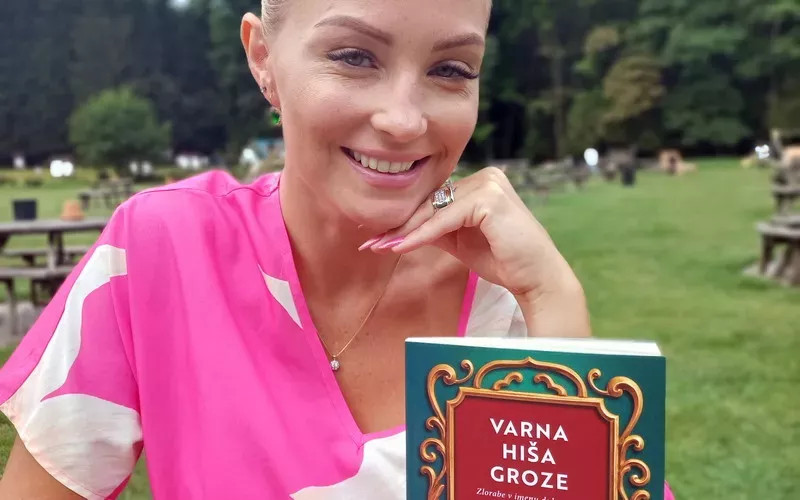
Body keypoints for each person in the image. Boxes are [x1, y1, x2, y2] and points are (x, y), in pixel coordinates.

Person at [0, 0, 673, 498]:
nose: (403, 119)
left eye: (450, 68)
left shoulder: (503, 309)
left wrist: (553, 298)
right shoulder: (161, 251)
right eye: (354, 57)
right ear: (264, 58)